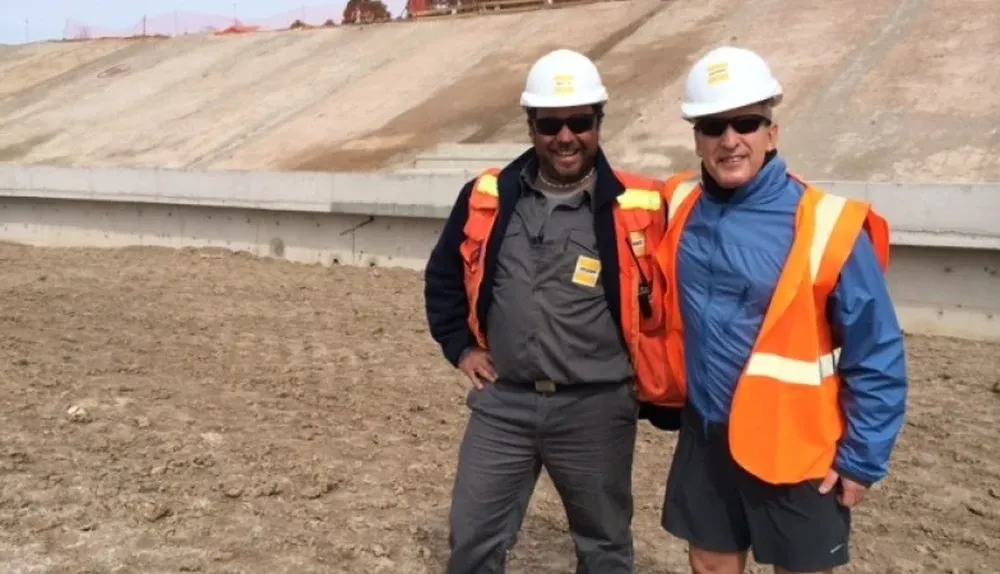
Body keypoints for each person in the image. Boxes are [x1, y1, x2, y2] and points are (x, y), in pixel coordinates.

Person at [652, 46, 909, 574]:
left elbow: (877, 349)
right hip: (708, 437)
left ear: (772, 131)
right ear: (695, 137)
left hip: (796, 448)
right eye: (713, 125)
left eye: (746, 122)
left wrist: (862, 460)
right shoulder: (679, 202)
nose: (730, 139)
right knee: (710, 563)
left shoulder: (825, 225)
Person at [423, 48, 678, 574]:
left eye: (580, 122)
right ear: (531, 125)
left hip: (597, 407)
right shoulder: (485, 196)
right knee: (471, 537)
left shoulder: (643, 205)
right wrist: (460, 347)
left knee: (604, 546)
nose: (566, 137)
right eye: (550, 124)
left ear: (599, 122)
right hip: (504, 404)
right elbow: (443, 276)